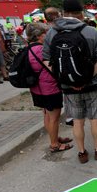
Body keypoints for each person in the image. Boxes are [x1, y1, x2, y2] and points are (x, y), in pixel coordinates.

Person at [42, 0, 97, 164]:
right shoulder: (92, 31)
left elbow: (45, 60)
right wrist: (85, 78)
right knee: (94, 119)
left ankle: (81, 153)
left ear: (63, 13)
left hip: (68, 87)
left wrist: (66, 79)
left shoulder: (52, 33)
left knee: (78, 121)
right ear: (81, 14)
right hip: (92, 85)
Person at [26, 22, 72, 153]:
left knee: (47, 115)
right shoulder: (41, 50)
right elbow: (54, 67)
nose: (48, 36)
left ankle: (55, 138)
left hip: (37, 89)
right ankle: (54, 144)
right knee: (54, 117)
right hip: (49, 89)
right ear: (40, 35)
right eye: (46, 33)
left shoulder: (29, 48)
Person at [44, 6, 73, 127]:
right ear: (58, 15)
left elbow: (45, 55)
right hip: (66, 66)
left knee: (47, 109)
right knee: (68, 93)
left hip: (52, 69)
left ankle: (52, 133)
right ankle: (70, 116)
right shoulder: (62, 28)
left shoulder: (46, 31)